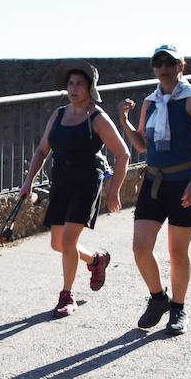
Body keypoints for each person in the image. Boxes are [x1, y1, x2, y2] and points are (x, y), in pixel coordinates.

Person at [117, 45, 191, 335]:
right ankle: (159, 298)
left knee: (177, 250)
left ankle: (179, 308)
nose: (163, 68)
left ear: (181, 65)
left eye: (169, 62)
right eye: (158, 63)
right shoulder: (150, 101)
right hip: (155, 181)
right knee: (140, 247)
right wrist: (124, 122)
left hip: (186, 180)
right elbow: (142, 145)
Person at [19, 62, 131, 317]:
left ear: (90, 87)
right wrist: (28, 182)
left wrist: (114, 191)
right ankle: (96, 260)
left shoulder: (97, 117)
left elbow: (123, 154)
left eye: (79, 83)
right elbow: (42, 150)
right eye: (70, 83)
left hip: (86, 182)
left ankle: (66, 296)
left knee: (69, 241)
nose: (74, 88)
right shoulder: (58, 115)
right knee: (58, 244)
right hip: (61, 181)